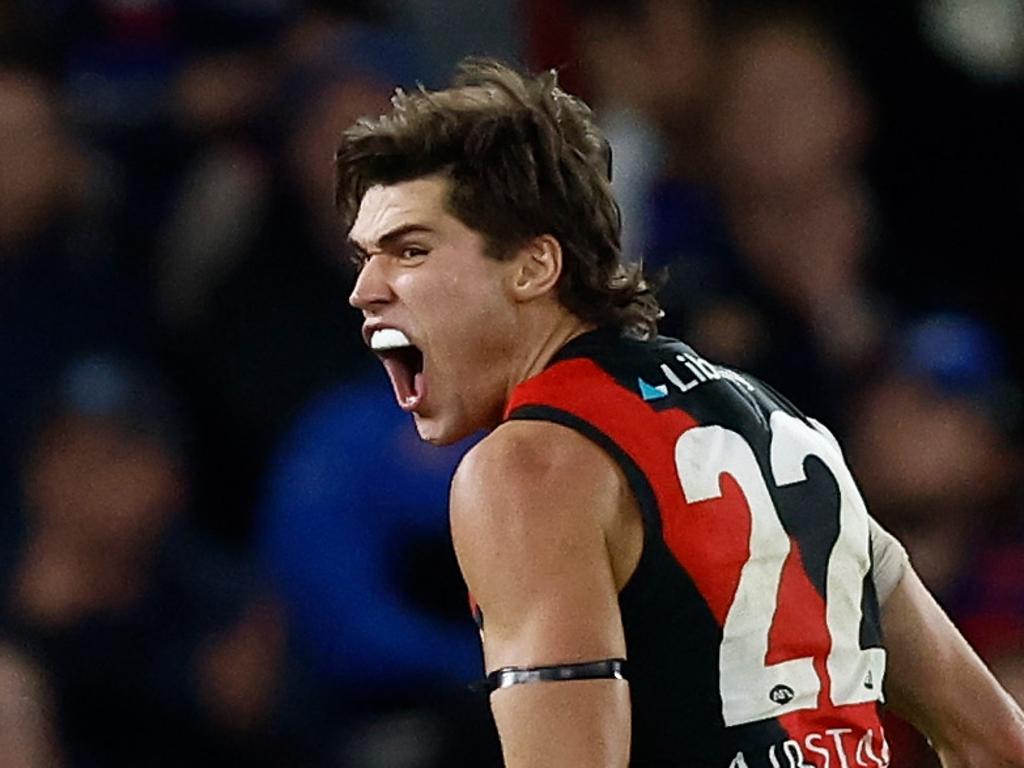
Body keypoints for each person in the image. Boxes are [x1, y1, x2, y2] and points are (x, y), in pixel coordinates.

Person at [335, 58, 1024, 767]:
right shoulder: (787, 428)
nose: (364, 289)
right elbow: (998, 742)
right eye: (364, 257)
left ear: (534, 267)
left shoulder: (527, 468)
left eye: (409, 250)